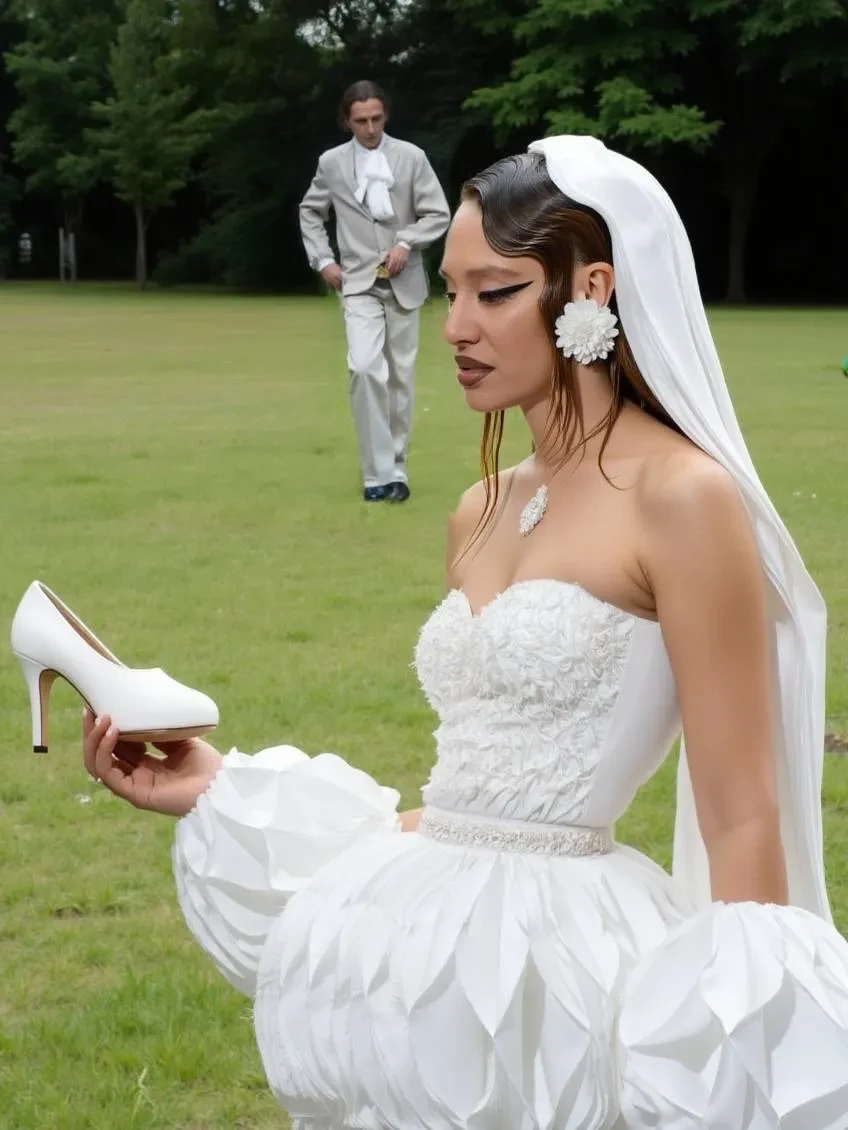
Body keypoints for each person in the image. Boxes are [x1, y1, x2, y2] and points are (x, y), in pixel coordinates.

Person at [81, 135, 848, 1127]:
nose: (455, 326)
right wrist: (217, 787)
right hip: (418, 948)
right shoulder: (479, 508)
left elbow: (742, 817)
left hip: (563, 972)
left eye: (495, 292)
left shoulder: (683, 498)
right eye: (451, 291)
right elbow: (474, 793)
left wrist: (743, 1052)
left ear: (590, 288)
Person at [299, 80, 450, 503]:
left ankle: (396, 470)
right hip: (357, 283)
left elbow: (438, 213)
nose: (370, 129)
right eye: (361, 121)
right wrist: (323, 260)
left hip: (404, 282)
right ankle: (375, 475)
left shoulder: (411, 157)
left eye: (376, 119)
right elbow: (310, 212)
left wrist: (406, 242)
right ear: (346, 121)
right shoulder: (331, 163)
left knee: (401, 378)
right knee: (365, 369)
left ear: (386, 116)